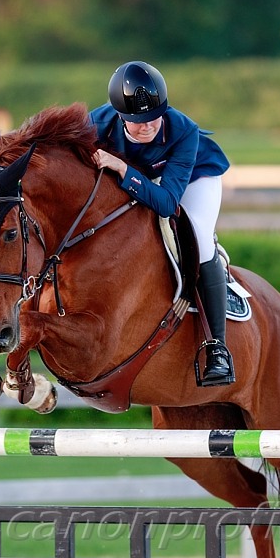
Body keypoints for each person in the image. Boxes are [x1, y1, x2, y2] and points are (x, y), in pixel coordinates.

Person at [89, 61, 234, 387]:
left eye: (153, 117)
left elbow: (168, 203)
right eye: (137, 122)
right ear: (120, 117)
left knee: (199, 238)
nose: (148, 126)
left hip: (195, 178)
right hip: (148, 177)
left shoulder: (184, 131)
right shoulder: (96, 125)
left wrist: (124, 171)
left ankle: (218, 348)